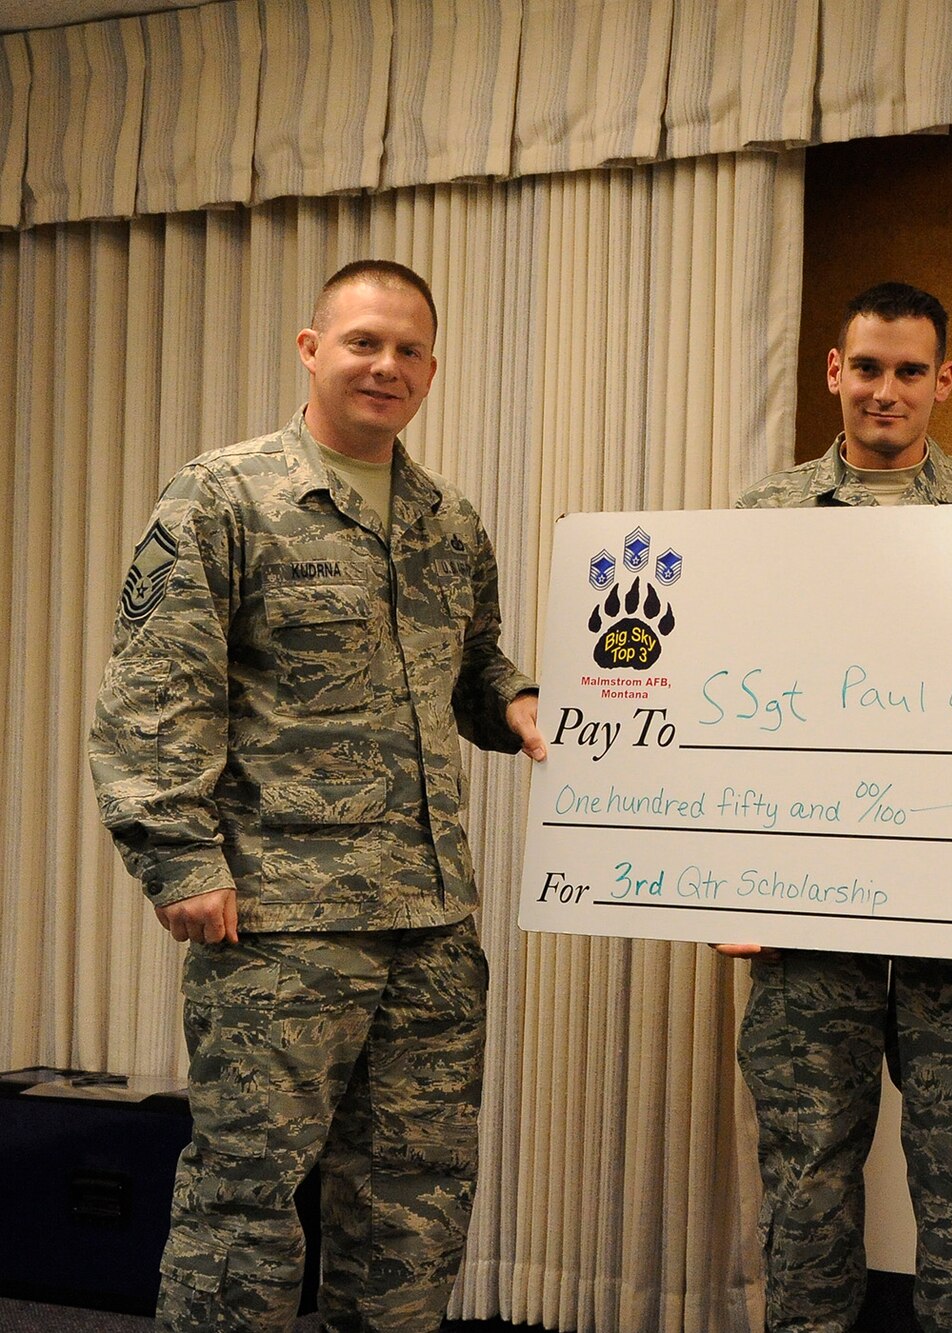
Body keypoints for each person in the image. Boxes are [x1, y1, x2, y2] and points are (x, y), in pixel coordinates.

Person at [90, 260, 546, 1332]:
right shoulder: (226, 496)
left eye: (409, 350)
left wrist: (519, 701)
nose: (386, 366)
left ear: (431, 367)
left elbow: (470, 668)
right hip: (281, 926)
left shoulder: (449, 521)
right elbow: (153, 692)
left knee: (414, 1199)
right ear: (311, 348)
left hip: (430, 924)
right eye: (362, 343)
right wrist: (179, 862)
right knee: (245, 1204)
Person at [723, 281, 952, 1332]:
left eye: (910, 371)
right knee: (806, 1184)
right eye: (867, 367)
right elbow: (720, 714)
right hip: (809, 913)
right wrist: (725, 878)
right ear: (832, 371)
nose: (886, 390)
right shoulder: (761, 521)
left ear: (942, 381)